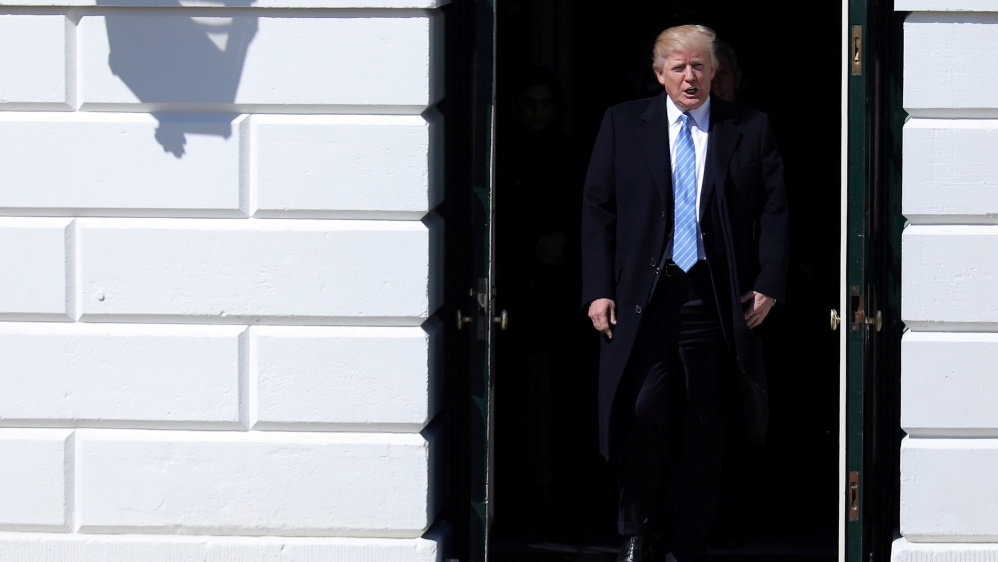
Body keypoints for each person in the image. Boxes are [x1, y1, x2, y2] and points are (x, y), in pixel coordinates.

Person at [581, 25, 788, 562]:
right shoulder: (623, 123)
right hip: (644, 299)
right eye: (678, 67)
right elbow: (598, 210)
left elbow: (774, 210)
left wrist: (769, 282)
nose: (690, 76)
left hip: (710, 299)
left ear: (715, 72)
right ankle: (636, 529)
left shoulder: (750, 127)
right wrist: (598, 290)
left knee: (701, 421)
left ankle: (687, 537)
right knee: (644, 412)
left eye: (699, 66)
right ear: (659, 75)